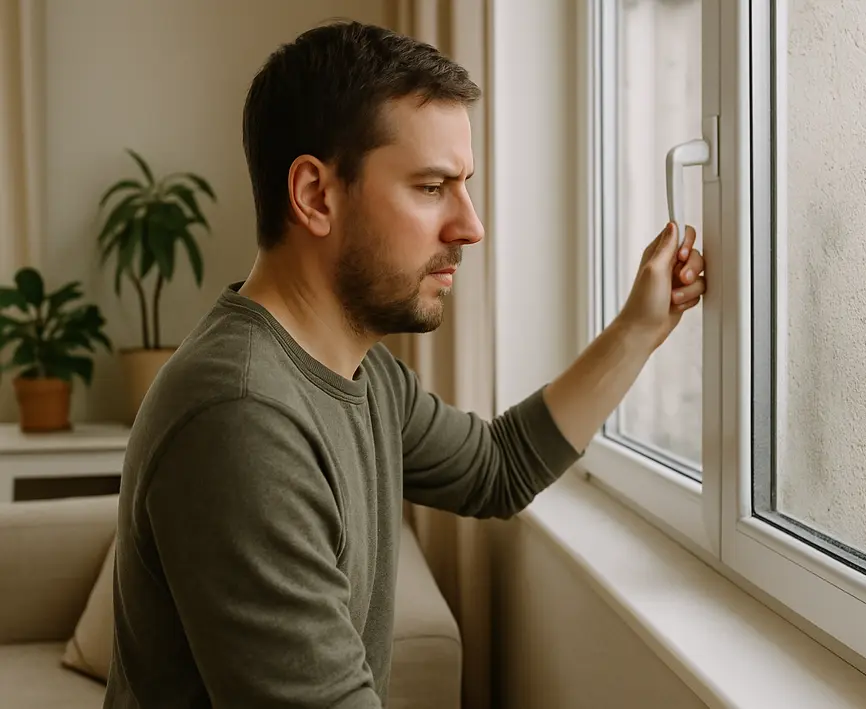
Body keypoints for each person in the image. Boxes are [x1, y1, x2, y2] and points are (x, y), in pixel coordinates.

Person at [102, 19, 706, 709]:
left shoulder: (362, 371)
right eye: (430, 187)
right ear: (315, 195)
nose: (470, 226)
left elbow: (497, 467)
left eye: (464, 184)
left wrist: (638, 329)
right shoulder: (242, 418)